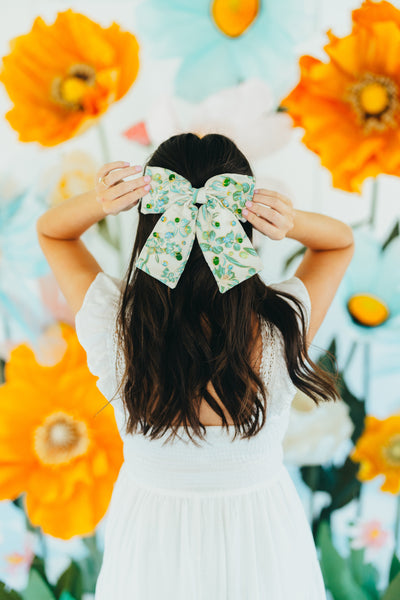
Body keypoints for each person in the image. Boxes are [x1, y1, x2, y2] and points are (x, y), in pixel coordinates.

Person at [36, 133, 354, 599]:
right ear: (246, 223)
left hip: (151, 543)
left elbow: (51, 231)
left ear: (149, 222)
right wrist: (292, 221)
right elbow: (339, 244)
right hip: (262, 539)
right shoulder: (280, 327)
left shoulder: (118, 328)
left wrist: (100, 201)